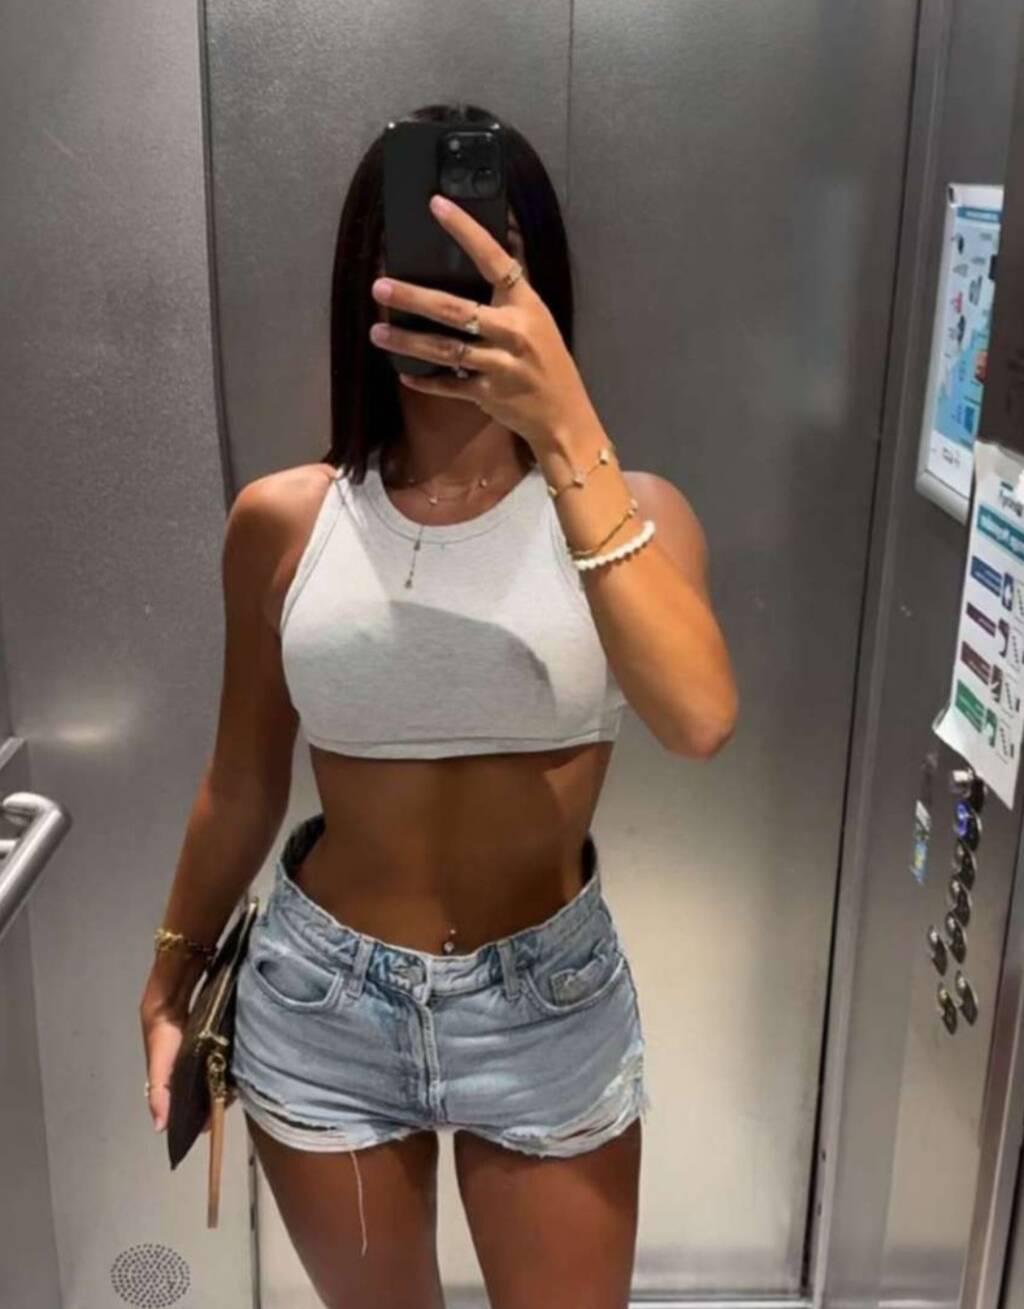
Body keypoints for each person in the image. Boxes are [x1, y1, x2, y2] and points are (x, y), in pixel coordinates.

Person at [139, 101, 738, 1309]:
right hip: (321, 1000)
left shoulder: (636, 515)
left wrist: (564, 424)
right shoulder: (285, 521)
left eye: (488, 266)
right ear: (366, 287)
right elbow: (242, 778)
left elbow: (698, 718)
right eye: (419, 262)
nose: (451, 296)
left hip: (547, 1004)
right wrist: (172, 969)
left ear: (538, 284)